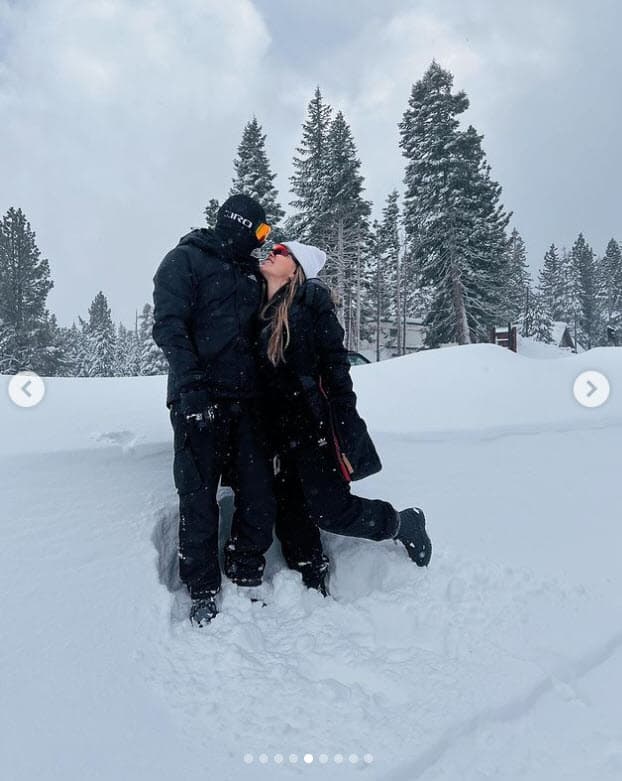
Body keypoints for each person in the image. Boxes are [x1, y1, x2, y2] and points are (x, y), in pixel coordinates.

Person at [257, 241, 432, 595]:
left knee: (329, 510)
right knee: (291, 509)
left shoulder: (312, 306)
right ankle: (309, 570)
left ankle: (402, 523)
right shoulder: (263, 311)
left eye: (282, 251)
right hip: (278, 433)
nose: (272, 251)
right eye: (273, 248)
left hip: (314, 430)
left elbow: (337, 374)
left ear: (297, 269)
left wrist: (340, 424)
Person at [152, 194, 277, 627]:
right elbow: (168, 326)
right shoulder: (185, 260)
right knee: (198, 498)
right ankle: (202, 588)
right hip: (197, 400)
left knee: (259, 493)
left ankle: (245, 571)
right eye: (261, 232)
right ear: (241, 224)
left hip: (246, 404)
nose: (263, 241)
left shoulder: (250, 274)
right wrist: (191, 389)